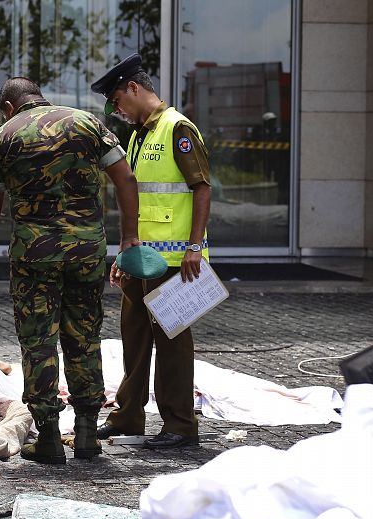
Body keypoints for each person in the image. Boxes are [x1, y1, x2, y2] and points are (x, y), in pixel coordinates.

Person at [0, 77, 140, 464]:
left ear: (10, 108)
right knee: (84, 336)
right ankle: (85, 434)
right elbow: (125, 178)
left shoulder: (4, 136)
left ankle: (47, 437)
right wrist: (129, 236)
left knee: (38, 342)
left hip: (35, 255)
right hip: (86, 251)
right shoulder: (88, 123)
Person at [90, 54, 212, 449]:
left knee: (173, 342)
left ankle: (180, 425)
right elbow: (140, 201)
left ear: (134, 89)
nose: (117, 111)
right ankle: (128, 417)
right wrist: (125, 255)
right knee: (134, 336)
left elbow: (202, 188)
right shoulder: (141, 133)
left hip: (177, 262)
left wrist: (194, 246)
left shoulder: (178, 128)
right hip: (143, 260)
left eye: (118, 102)